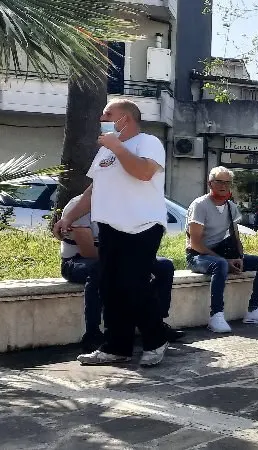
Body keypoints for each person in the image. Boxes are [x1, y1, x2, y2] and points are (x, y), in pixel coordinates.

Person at [53, 99, 171, 367]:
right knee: (109, 288)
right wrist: (69, 216)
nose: (101, 118)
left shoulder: (148, 142)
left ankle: (156, 339)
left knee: (134, 285)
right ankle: (116, 347)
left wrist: (117, 147)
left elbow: (143, 173)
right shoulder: (105, 152)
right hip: (110, 227)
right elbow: (94, 190)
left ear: (125, 118)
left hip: (141, 226)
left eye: (108, 114)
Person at [58, 195, 182, 352]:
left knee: (164, 266)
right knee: (100, 270)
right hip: (77, 261)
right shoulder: (77, 207)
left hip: (118, 256)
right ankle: (93, 334)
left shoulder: (119, 204)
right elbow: (88, 251)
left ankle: (158, 323)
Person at [186, 166, 258, 333]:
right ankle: (216, 316)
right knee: (220, 264)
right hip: (198, 256)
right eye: (219, 182)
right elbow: (195, 244)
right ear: (210, 184)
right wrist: (225, 261)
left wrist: (239, 257)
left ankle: (254, 310)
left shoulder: (231, 207)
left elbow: (236, 238)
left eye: (227, 183)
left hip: (222, 254)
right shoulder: (199, 205)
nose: (223, 186)